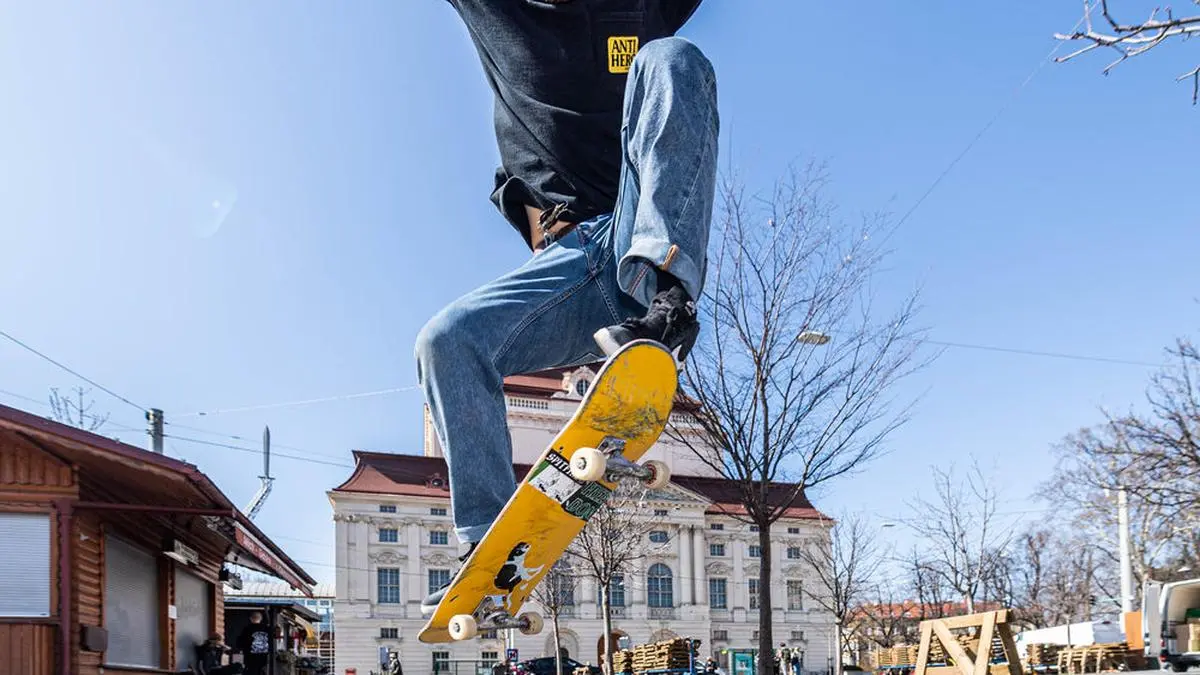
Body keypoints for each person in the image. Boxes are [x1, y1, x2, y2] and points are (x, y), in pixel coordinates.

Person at [416, 0, 719, 615]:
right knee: (445, 342)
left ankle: (669, 303)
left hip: (638, 234)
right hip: (567, 267)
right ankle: (488, 550)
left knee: (672, 57)